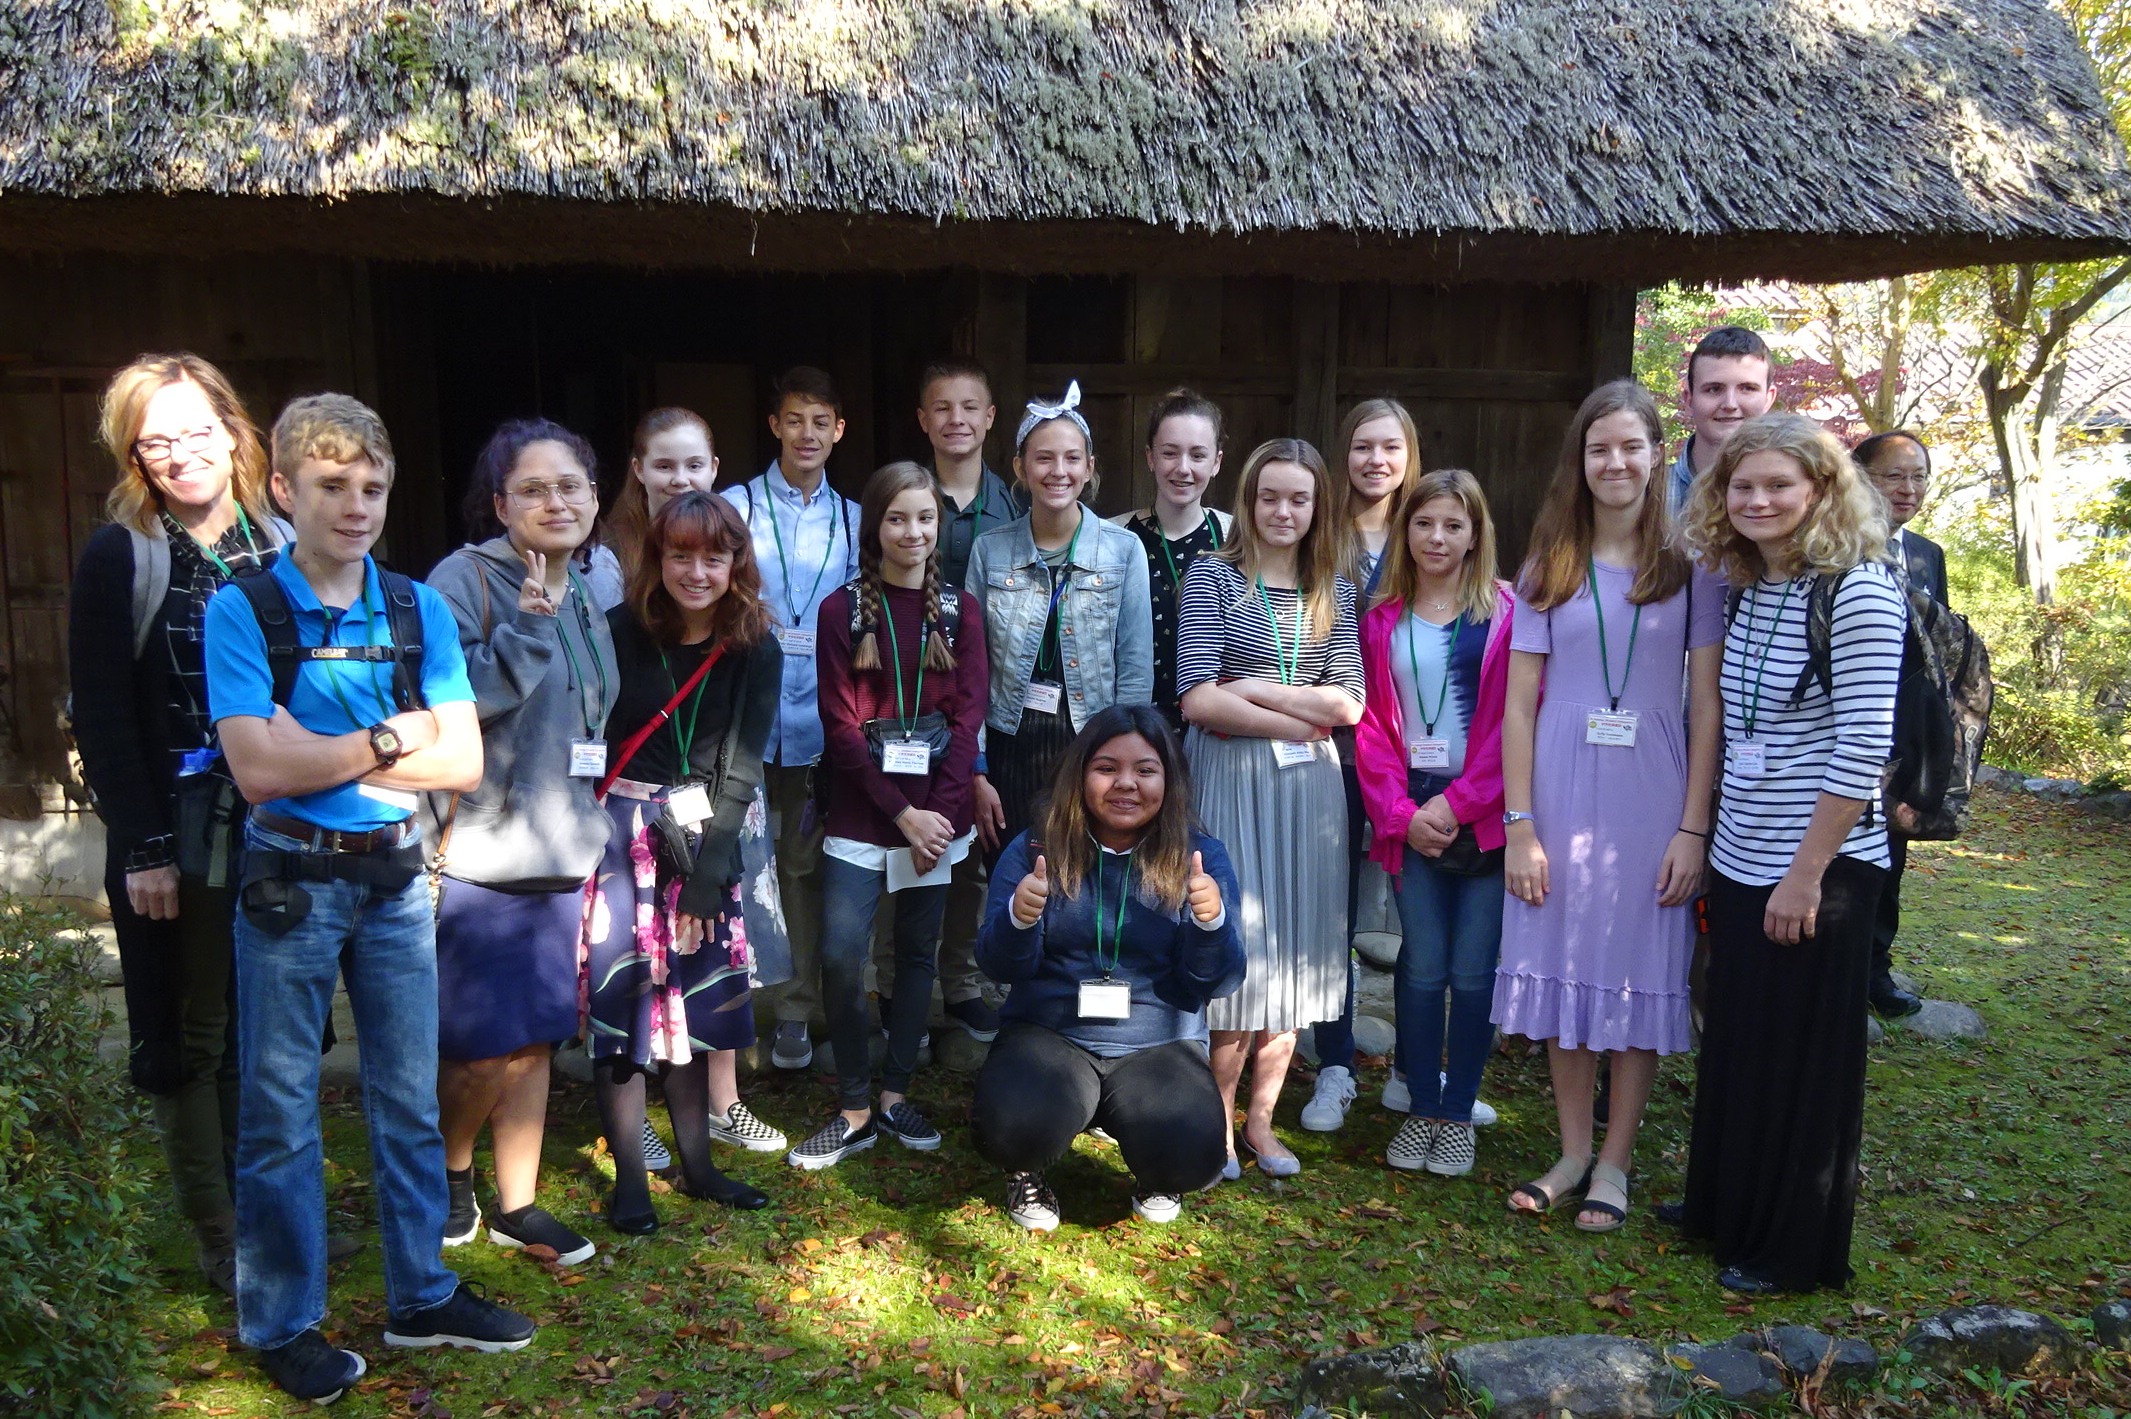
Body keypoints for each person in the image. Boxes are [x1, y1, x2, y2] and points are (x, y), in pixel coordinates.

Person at [206, 394, 533, 1403]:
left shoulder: (416, 608)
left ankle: (421, 1295)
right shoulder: (243, 611)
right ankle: (283, 1323)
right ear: (282, 491)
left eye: (373, 488)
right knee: (279, 1116)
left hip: (394, 882)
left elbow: (465, 759)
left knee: (403, 1100)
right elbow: (256, 770)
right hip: (288, 889)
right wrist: (393, 740)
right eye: (332, 487)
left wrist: (323, 757)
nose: (356, 507)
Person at [68, 354, 292, 1298]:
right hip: (176, 829)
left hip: (280, 823)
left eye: (195, 430)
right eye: (154, 440)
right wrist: (147, 850)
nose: (178, 454)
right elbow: (105, 716)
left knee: (268, 1025)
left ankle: (274, 1215)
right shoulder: (122, 553)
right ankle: (219, 1232)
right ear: (134, 454)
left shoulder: (281, 541)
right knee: (187, 1033)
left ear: (234, 430)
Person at [1674, 412, 1904, 1295]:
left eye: (1777, 484)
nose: (1757, 499)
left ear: (1820, 490)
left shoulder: (1859, 594)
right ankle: (1723, 1210)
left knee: (1803, 1060)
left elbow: (1859, 749)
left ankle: (1790, 1248)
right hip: (1741, 853)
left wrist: (1804, 875)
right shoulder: (1750, 584)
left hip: (1819, 868)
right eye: (1741, 486)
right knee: (1739, 1039)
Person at [1493, 382, 1724, 1230]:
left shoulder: (1693, 567)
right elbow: (1518, 704)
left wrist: (1691, 827)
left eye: (1630, 446)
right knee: (1564, 966)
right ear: (1579, 462)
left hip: (1653, 793)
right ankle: (1569, 1148)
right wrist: (1519, 825)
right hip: (1558, 783)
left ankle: (1616, 1160)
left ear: (1657, 453)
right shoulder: (1547, 562)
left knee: (1638, 968)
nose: (1615, 462)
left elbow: (1706, 705)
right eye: (1599, 449)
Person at [425, 419, 616, 1268]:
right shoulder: (462, 580)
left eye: (570, 485)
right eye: (533, 489)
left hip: (562, 847)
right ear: (499, 503)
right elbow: (455, 701)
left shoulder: (590, 582)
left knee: (537, 1036)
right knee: (478, 1049)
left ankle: (520, 1201)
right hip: (485, 852)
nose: (555, 502)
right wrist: (528, 628)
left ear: (594, 497)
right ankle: (451, 1171)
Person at [582, 491, 789, 1229]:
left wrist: (708, 876)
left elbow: (740, 767)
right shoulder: (618, 630)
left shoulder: (754, 642)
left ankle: (700, 1165)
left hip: (704, 832)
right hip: (622, 834)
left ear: (736, 562)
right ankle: (632, 1178)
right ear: (656, 559)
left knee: (696, 1005)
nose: (696, 571)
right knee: (625, 1001)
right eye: (679, 554)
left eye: (713, 555)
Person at [973, 706, 1244, 1229]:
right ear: (1080, 775)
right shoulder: (1037, 845)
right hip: (1051, 1033)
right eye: (1106, 768)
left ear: (1168, 778)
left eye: (1145, 770)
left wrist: (1210, 927)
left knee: (1194, 1154)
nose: (1126, 784)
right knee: (1010, 1125)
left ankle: (1155, 1164)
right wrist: (1018, 919)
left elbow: (1218, 981)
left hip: (1156, 1043)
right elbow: (1000, 963)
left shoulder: (1199, 855)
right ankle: (1026, 1171)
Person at [789, 462, 989, 1167]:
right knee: (842, 955)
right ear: (874, 526)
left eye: (925, 518)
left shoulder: (958, 611)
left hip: (938, 821)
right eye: (898, 518)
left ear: (939, 526)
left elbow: (967, 722)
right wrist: (904, 814)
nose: (913, 532)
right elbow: (840, 729)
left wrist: (935, 816)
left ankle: (895, 1093)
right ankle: (851, 1103)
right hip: (865, 817)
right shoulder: (841, 612)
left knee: (914, 955)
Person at [1180, 438, 1364, 1179]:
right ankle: (1216, 1122)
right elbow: (1195, 695)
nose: (1282, 511)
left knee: (1296, 947)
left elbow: (1347, 702)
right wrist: (1295, 715)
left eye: (1298, 498)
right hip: (1229, 780)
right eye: (1269, 496)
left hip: (1308, 793)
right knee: (1237, 943)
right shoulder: (1212, 579)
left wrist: (1251, 689)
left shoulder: (1336, 589)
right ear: (1248, 501)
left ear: (1317, 507)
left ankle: (1262, 1122)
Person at [1353, 470, 1513, 1178]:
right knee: (1419, 969)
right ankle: (1420, 1102)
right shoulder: (1381, 616)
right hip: (1409, 813)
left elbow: (1515, 723)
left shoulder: (1506, 613)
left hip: (1480, 811)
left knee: (1472, 973)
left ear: (1475, 532)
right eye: (1424, 524)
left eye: (1453, 525)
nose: (1437, 538)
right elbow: (1369, 726)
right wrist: (1401, 812)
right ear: (1403, 531)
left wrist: (1459, 802)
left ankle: (1457, 1113)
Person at [722, 367, 861, 1071]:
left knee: (804, 869)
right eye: (794, 419)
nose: (807, 433)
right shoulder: (734, 506)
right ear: (773, 424)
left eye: (821, 422)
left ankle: (798, 1009)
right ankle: (730, 1009)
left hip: (820, 726)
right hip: (743, 720)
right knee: (734, 860)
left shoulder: (855, 520)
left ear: (838, 430)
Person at [966, 382, 1154, 857]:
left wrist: (1121, 764)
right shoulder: (990, 550)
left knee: (1081, 880)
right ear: (1020, 468)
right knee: (1012, 882)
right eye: (1044, 458)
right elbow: (971, 671)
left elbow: (1134, 667)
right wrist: (976, 767)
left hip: (1092, 744)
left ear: (1089, 467)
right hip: (1010, 743)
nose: (1058, 471)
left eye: (1072, 459)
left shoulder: (1123, 549)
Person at [1304, 397, 1423, 1132]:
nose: (1375, 460)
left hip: (1414, 750)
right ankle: (1336, 1062)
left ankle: (1414, 1069)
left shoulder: (1430, 530)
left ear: (1409, 454)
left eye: (1389, 447)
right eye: (1360, 447)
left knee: (1421, 915)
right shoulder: (1322, 538)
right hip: (1334, 743)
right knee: (1334, 913)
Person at [913, 358, 1019, 1046]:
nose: (955, 419)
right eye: (941, 407)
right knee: (909, 840)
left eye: (969, 406)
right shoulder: (904, 493)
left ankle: (960, 980)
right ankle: (901, 988)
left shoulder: (1013, 504)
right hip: (908, 701)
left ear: (988, 419)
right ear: (922, 420)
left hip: (986, 692)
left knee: (972, 847)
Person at [1853, 429, 1944, 1020]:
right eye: (1894, 476)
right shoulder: (1834, 549)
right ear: (1860, 478)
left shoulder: (1928, 554)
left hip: (1905, 739)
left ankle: (1875, 972)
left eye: (1919, 477)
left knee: (1890, 859)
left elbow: (1938, 652)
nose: (1908, 489)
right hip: (1842, 735)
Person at [1112, 388, 1234, 733]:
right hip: (1134, 725)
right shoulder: (1113, 537)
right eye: (1170, 453)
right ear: (1150, 457)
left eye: (1198, 455)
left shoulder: (1238, 537)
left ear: (1217, 462)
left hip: (1217, 729)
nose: (1183, 468)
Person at [590, 407, 720, 608]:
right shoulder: (608, 557)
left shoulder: (732, 541)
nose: (680, 479)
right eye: (664, 467)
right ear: (639, 469)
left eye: (694, 466)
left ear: (713, 468)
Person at [1667, 325, 1776, 512]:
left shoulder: (1792, 500)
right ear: (1689, 399)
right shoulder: (1650, 495)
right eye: (1714, 389)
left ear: (1769, 398)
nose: (1730, 404)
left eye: (1747, 388)